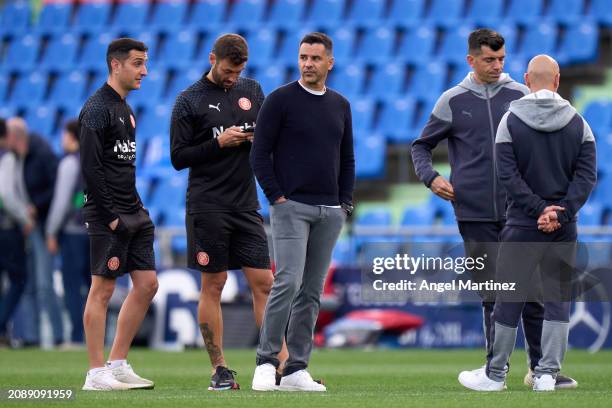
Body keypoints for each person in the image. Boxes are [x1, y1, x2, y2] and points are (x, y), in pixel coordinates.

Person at [411, 28, 576, 388]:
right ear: (471, 60)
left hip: (521, 212)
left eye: (501, 59)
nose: (497, 66)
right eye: (489, 59)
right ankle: (493, 370)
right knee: (492, 293)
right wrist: (431, 177)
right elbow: (420, 146)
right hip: (472, 213)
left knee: (531, 293)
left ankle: (539, 370)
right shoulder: (452, 100)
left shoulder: (520, 94)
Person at [459, 54, 596, 392]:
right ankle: (547, 375)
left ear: (526, 79)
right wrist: (559, 212)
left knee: (508, 298)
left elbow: (506, 174)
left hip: (522, 223)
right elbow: (586, 176)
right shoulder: (579, 122)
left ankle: (495, 375)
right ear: (558, 79)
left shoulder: (510, 120)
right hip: (563, 227)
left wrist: (537, 209)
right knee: (557, 298)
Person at [170, 33, 287, 391]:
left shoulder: (252, 90)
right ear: (212, 59)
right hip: (207, 205)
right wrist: (218, 143)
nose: (232, 77)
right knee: (215, 284)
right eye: (227, 70)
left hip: (245, 204)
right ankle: (219, 368)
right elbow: (178, 157)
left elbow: (272, 138)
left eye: (238, 70)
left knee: (264, 283)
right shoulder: (188, 100)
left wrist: (260, 139)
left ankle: (282, 365)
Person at [250, 32, 355, 392]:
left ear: (330, 62)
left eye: (315, 58)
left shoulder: (341, 104)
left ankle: (295, 368)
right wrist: (276, 196)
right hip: (291, 207)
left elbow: (347, 158)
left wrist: (345, 203)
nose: (308, 63)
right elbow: (258, 154)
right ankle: (266, 362)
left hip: (330, 210)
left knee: (311, 291)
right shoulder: (280, 100)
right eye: (303, 57)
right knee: (288, 282)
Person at [79, 38, 158, 391]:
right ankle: (96, 373)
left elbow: (122, 166)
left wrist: (136, 206)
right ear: (116, 64)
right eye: (138, 63)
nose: (144, 70)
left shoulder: (125, 108)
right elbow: (91, 169)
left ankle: (118, 362)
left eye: (145, 63)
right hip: (108, 215)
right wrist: (111, 216)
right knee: (103, 289)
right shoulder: (97, 108)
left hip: (132, 210)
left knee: (147, 284)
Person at [8, 117, 63, 347]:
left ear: (15, 137)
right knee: (28, 284)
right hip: (26, 226)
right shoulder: (16, 157)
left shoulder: (42, 153)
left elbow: (58, 189)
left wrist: (36, 207)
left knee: (43, 284)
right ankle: (31, 338)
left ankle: (58, 337)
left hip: (42, 226)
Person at [46, 119, 91, 347]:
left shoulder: (69, 164)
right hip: (94, 232)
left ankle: (76, 337)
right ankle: (96, 337)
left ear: (72, 137)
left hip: (72, 233)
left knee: (73, 287)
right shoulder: (94, 160)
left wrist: (51, 232)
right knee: (94, 287)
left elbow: (62, 203)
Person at [0, 117, 32, 346]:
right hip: (7, 228)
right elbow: (7, 196)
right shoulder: (7, 157)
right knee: (19, 278)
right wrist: (25, 216)